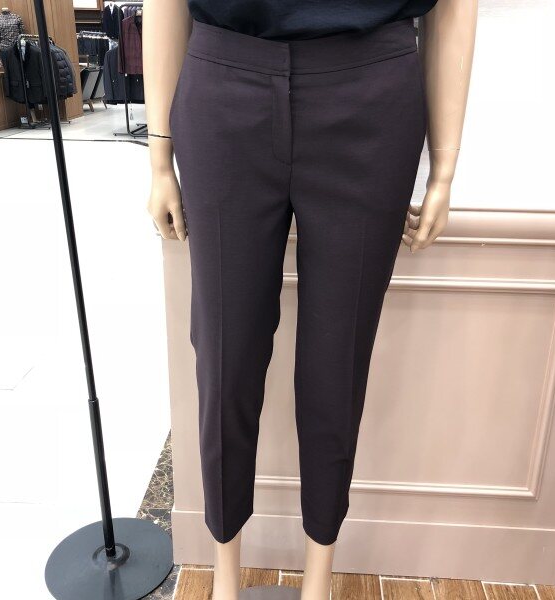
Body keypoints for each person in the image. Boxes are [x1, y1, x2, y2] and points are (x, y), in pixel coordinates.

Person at [143, 1, 478, 599]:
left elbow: (455, 7)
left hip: (372, 98)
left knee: (337, 361)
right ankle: (224, 576)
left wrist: (444, 168)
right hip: (223, 89)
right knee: (225, 355)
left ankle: (318, 579)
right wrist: (158, 155)